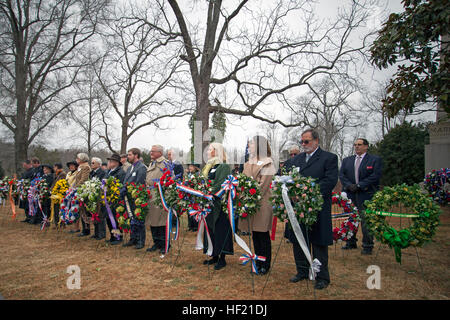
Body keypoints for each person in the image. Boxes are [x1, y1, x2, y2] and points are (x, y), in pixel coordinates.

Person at [284, 129, 338, 290]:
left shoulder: (329, 158)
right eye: (302, 142)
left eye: (306, 141)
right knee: (299, 240)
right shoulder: (296, 159)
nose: (303, 144)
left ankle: (321, 277)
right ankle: (302, 271)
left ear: (316, 141)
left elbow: (329, 181)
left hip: (318, 207)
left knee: (318, 242)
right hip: (297, 207)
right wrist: (291, 192)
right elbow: (286, 176)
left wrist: (307, 193)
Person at [339, 138, 383, 255]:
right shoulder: (347, 160)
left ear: (366, 146)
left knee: (366, 221)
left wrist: (359, 185)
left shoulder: (374, 160)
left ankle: (367, 245)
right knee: (351, 218)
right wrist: (349, 186)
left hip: (366, 194)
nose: (357, 147)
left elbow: (375, 176)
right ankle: (350, 242)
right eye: (355, 145)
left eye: (359, 144)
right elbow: (342, 175)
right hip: (351, 194)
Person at [242, 136, 276, 275]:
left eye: (251, 143)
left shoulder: (268, 163)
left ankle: (265, 264)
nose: (249, 145)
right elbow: (243, 180)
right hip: (250, 201)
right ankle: (257, 261)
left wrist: (250, 195)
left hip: (261, 203)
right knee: (255, 234)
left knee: (263, 235)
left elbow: (264, 185)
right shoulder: (248, 162)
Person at [202, 142, 233, 270]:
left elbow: (221, 183)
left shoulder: (223, 166)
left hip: (219, 204)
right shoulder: (209, 166)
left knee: (220, 230)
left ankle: (222, 258)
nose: (208, 151)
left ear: (216, 151)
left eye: (210, 149)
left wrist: (208, 191)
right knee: (210, 229)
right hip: (209, 204)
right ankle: (213, 254)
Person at [146, 145, 171, 254]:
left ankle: (165, 244)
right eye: (151, 151)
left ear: (160, 152)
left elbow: (170, 180)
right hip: (150, 194)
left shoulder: (165, 163)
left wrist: (167, 197)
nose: (151, 153)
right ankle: (156, 243)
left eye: (153, 151)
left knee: (161, 221)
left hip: (160, 195)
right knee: (152, 221)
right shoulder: (152, 163)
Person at [122, 148, 147, 249]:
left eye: (130, 155)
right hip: (128, 198)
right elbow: (125, 181)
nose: (128, 157)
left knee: (138, 218)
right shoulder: (129, 168)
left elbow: (139, 182)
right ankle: (133, 238)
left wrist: (130, 190)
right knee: (131, 218)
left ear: (136, 155)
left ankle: (140, 240)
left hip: (136, 197)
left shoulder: (141, 168)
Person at [103, 154, 126, 245]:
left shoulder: (120, 172)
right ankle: (112, 236)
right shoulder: (108, 171)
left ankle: (118, 237)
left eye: (111, 161)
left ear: (116, 163)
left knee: (115, 219)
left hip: (115, 199)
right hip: (107, 198)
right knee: (108, 218)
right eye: (109, 161)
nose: (109, 163)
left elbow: (121, 184)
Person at [73, 153, 92, 237]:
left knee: (85, 210)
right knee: (81, 211)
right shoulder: (80, 167)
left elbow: (83, 179)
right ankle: (84, 229)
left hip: (83, 191)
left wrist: (76, 188)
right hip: (79, 190)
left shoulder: (86, 167)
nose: (76, 159)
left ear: (82, 159)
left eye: (78, 158)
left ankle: (87, 229)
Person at [50, 163, 66, 227]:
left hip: (60, 193)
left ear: (57, 167)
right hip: (55, 193)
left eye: (54, 167)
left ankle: (61, 223)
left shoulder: (62, 174)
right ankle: (56, 223)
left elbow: (59, 183)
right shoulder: (56, 174)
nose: (53, 169)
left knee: (60, 208)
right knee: (55, 209)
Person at [65, 161, 79, 233]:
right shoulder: (68, 173)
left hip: (75, 192)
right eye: (70, 166)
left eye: (72, 166)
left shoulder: (77, 173)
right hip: (68, 192)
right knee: (69, 208)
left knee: (75, 209)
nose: (71, 167)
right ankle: (73, 225)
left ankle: (76, 227)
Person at [187, 163, 200, 232]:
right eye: (189, 166)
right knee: (189, 208)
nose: (190, 167)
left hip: (195, 195)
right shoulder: (189, 174)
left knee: (195, 209)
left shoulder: (198, 175)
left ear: (195, 167)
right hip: (189, 195)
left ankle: (195, 226)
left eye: (191, 166)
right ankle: (190, 225)